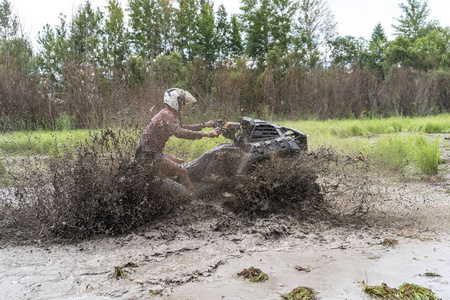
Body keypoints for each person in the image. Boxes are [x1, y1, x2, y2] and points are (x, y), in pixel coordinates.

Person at [135, 88, 219, 192]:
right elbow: (180, 132)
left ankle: (177, 188)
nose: (184, 106)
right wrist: (206, 134)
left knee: (181, 162)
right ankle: (193, 199)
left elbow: (181, 127)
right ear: (175, 103)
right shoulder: (167, 115)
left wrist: (204, 125)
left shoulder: (166, 113)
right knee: (182, 171)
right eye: (183, 103)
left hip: (151, 154)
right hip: (148, 157)